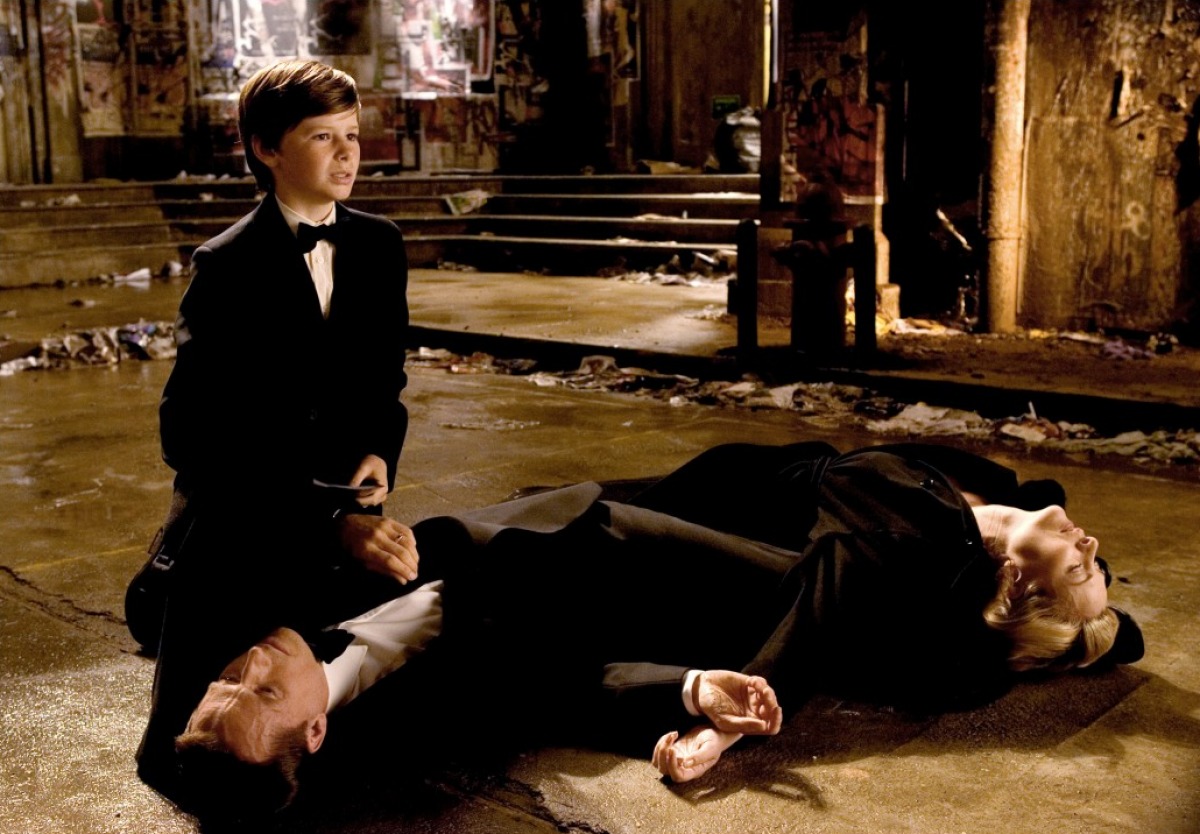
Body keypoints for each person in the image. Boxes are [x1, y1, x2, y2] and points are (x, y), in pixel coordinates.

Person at [163, 441, 1145, 821]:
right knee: (877, 592)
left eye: (225, 679)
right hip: (655, 574)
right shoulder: (421, 718)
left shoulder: (263, 613)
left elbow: (213, 512)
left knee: (884, 562)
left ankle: (1055, 615)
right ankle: (1062, 630)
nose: (249, 665)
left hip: (652, 504)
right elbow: (565, 688)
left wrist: (340, 521)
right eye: (260, 692)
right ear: (316, 731)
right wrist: (695, 698)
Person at [128, 59, 423, 800]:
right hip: (239, 515)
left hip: (344, 501)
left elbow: (384, 381)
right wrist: (328, 522)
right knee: (173, 757)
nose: (348, 154)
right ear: (266, 149)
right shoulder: (226, 266)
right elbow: (188, 439)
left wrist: (377, 451)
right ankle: (160, 599)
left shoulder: (380, 244)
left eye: (353, 134)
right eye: (323, 137)